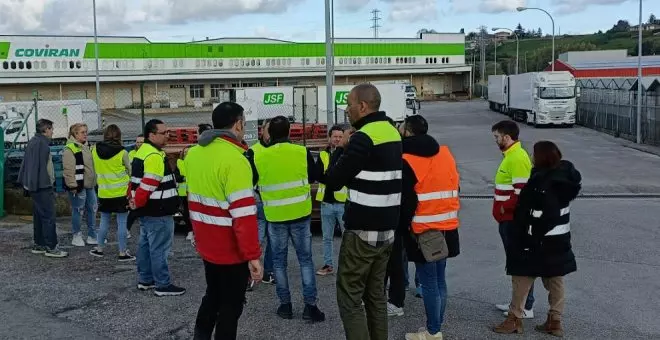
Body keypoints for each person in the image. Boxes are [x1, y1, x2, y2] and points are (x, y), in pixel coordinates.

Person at [324, 83, 402, 340]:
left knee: (349, 298)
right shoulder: (391, 132)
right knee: (376, 295)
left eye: (348, 103)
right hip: (387, 229)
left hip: (362, 231)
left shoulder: (363, 137)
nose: (346, 109)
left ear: (363, 106)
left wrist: (341, 147)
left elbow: (334, 180)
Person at [186, 103, 262, 340]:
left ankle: (200, 336)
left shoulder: (194, 154)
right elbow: (243, 214)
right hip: (230, 249)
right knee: (231, 305)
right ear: (238, 124)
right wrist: (253, 256)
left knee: (213, 295)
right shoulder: (235, 159)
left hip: (207, 244)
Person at [493, 141, 581, 336]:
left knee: (521, 277)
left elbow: (533, 214)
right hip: (559, 240)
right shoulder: (565, 180)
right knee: (555, 279)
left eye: (534, 154)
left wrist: (524, 236)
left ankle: (514, 318)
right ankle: (555, 320)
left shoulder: (540, 184)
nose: (531, 157)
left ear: (540, 158)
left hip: (537, 240)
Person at [252, 115, 325, 322]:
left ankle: (285, 306)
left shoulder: (259, 156)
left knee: (279, 262)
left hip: (274, 216)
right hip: (300, 215)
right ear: (289, 131)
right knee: (305, 261)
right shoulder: (301, 152)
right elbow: (312, 177)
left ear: (269, 133)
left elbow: (253, 182)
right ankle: (310, 307)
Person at [398, 115, 461, 340]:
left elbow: (407, 201)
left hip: (423, 230)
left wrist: (402, 227)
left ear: (407, 132)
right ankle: (436, 327)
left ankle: (433, 331)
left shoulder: (406, 158)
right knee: (440, 281)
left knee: (430, 283)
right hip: (447, 225)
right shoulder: (445, 153)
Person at [130, 119, 185, 297]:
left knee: (146, 245)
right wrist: (137, 202)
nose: (167, 135)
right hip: (158, 209)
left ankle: (146, 279)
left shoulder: (143, 151)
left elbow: (135, 183)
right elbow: (147, 185)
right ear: (151, 135)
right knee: (159, 248)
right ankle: (162, 284)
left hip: (148, 209)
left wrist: (135, 204)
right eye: (163, 133)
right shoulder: (154, 156)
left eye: (167, 131)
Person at [491, 120, 534, 318]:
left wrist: (503, 207)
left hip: (512, 220)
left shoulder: (517, 158)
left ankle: (524, 306)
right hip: (506, 219)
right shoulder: (511, 156)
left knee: (520, 263)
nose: (496, 140)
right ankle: (519, 302)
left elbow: (522, 193)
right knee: (516, 262)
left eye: (497, 137)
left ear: (507, 137)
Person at [18, 119, 68, 258]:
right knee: (48, 217)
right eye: (51, 129)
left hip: (34, 185)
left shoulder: (34, 141)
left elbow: (29, 165)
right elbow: (42, 168)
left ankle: (39, 244)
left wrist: (28, 185)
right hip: (42, 186)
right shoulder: (43, 144)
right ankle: (51, 247)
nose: (53, 131)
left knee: (39, 217)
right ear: (45, 130)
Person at [89, 124, 135, 261]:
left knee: (104, 221)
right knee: (122, 223)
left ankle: (99, 248)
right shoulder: (123, 152)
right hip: (121, 193)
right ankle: (122, 252)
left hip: (104, 192)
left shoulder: (94, 150)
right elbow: (130, 170)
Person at [245, 119, 275, 288]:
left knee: (273, 241)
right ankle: (250, 274)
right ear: (261, 131)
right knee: (256, 240)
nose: (270, 134)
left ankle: (268, 273)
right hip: (258, 201)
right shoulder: (252, 151)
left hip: (275, 203)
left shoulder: (280, 151)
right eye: (268, 130)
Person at [314, 124, 348, 276]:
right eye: (335, 136)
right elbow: (317, 174)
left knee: (347, 238)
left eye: (340, 137)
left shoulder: (348, 154)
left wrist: (330, 175)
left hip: (343, 203)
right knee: (327, 237)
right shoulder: (323, 155)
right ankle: (328, 264)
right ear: (329, 138)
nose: (337, 139)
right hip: (326, 202)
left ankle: (348, 266)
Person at [175, 123, 212, 245]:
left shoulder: (196, 153)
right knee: (191, 212)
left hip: (201, 189)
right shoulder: (192, 155)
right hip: (190, 189)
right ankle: (194, 232)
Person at [63, 123, 98, 247]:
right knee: (78, 210)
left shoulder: (86, 146)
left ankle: (92, 235)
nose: (85, 134)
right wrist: (72, 185)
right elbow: (68, 169)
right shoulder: (70, 148)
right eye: (82, 132)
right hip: (78, 186)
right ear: (75, 134)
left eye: (86, 132)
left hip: (89, 184)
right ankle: (76, 235)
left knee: (92, 209)